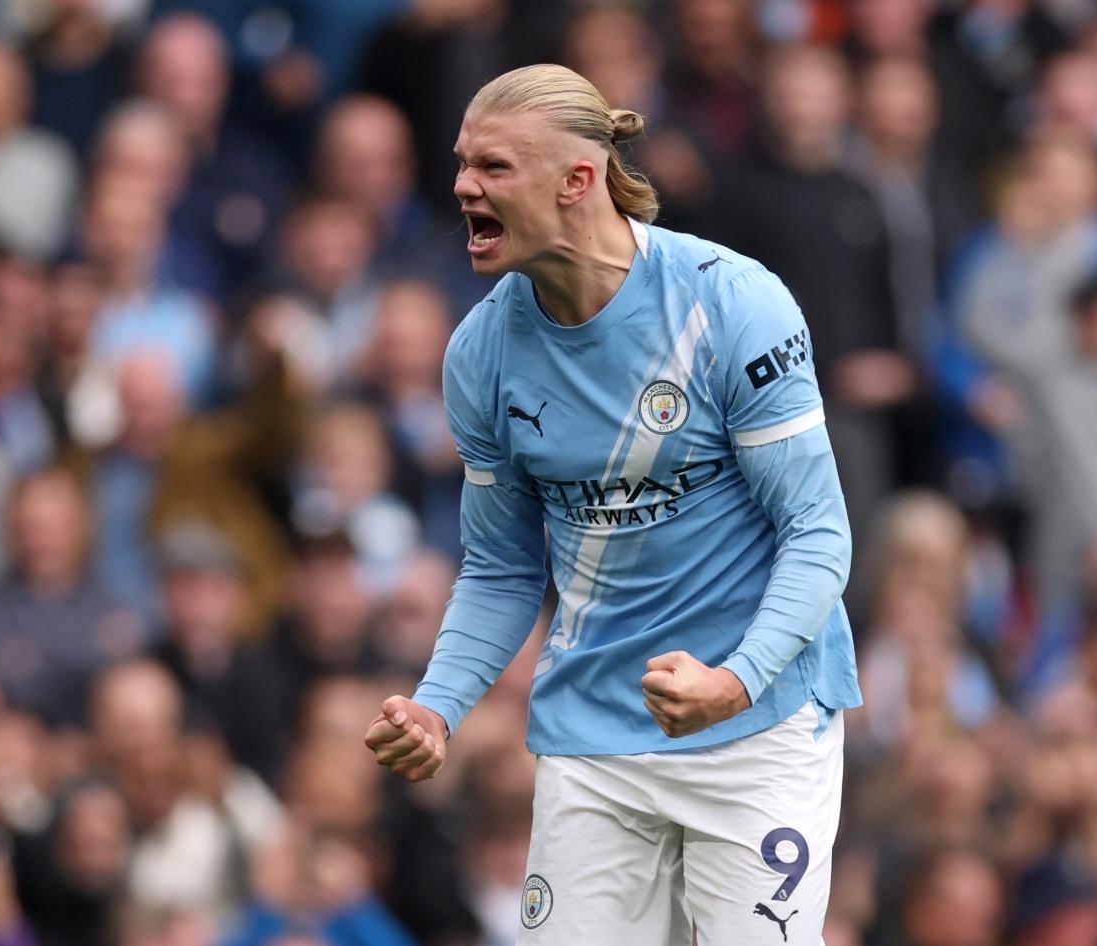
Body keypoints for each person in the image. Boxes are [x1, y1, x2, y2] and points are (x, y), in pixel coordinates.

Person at [362, 64, 861, 945]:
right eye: (462, 163)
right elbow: (502, 567)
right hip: (595, 736)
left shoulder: (730, 302)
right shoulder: (480, 353)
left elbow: (816, 531)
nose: (462, 185)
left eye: (493, 166)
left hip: (758, 726)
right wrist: (437, 706)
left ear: (577, 180)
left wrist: (733, 681)